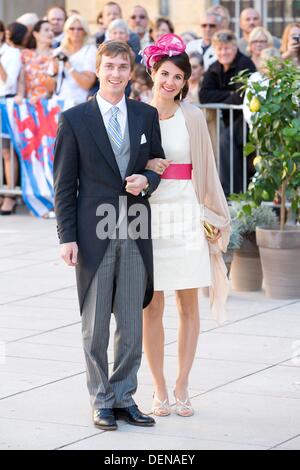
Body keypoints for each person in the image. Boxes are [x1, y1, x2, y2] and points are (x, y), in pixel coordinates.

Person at [54, 40, 165, 431]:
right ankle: (100, 400)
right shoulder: (74, 120)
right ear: (98, 69)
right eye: (110, 67)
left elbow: (157, 163)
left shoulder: (145, 115)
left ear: (131, 72)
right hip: (93, 230)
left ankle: (123, 397)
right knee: (96, 324)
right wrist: (67, 236)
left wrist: (147, 180)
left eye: (123, 67)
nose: (116, 73)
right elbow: (64, 186)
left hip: (135, 227)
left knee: (132, 324)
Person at [142, 34, 230, 417]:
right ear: (152, 72)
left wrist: (213, 214)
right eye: (165, 73)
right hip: (148, 215)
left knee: (187, 301)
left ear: (185, 82)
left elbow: (207, 171)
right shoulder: (136, 114)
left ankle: (182, 383)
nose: (171, 82)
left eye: (178, 76)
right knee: (152, 304)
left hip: (186, 212)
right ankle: (159, 387)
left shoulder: (192, 116)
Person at [200, 30, 256, 195]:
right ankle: (233, 194)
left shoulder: (245, 64)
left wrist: (224, 96)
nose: (223, 52)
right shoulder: (214, 67)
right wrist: (229, 94)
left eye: (227, 48)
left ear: (235, 47)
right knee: (227, 147)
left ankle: (232, 193)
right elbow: (204, 95)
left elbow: (242, 96)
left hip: (247, 119)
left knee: (228, 143)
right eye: (220, 49)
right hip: (229, 119)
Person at [0, 21, 22, 215]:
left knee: (7, 151)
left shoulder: (12, 53)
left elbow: (8, 83)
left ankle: (10, 195)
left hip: (5, 103)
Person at [54, 15, 97, 108]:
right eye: (72, 28)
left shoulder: (90, 50)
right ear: (66, 31)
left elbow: (87, 84)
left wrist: (69, 66)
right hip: (58, 102)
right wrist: (54, 70)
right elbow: (49, 87)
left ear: (85, 31)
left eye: (79, 29)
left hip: (79, 102)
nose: (75, 32)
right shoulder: (58, 51)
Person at [16, 20, 56, 104]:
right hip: (27, 102)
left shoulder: (56, 55)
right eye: (46, 30)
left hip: (48, 103)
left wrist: (43, 97)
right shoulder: (26, 54)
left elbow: (56, 83)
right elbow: (21, 80)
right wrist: (20, 95)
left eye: (52, 30)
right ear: (35, 34)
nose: (51, 33)